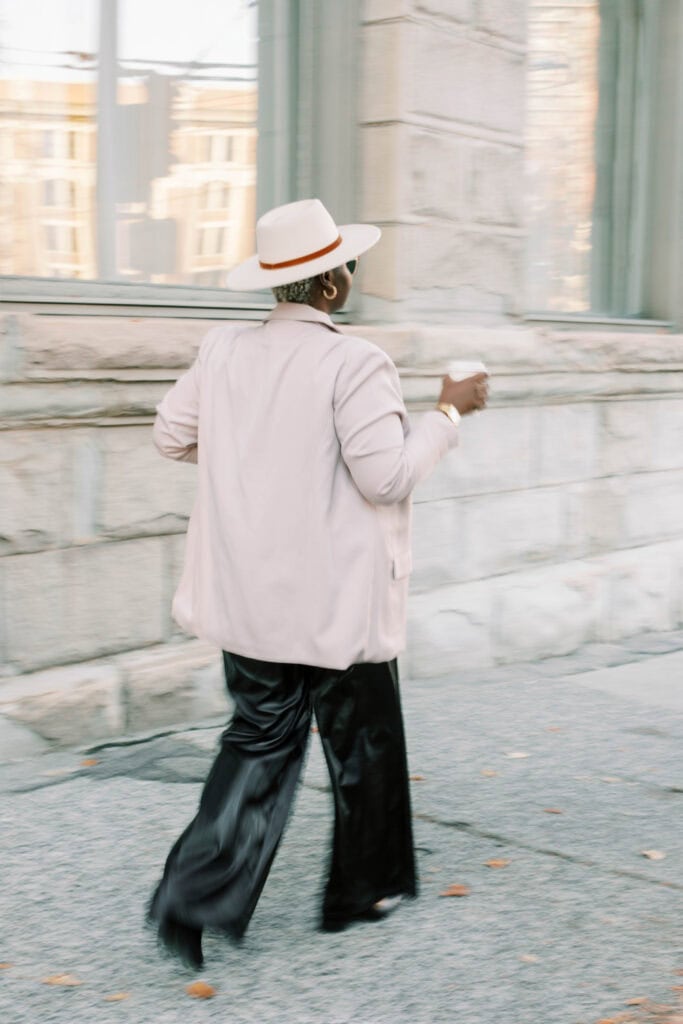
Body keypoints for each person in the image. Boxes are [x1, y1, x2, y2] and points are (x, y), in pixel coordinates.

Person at [147, 198, 488, 968]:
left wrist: (249, 450)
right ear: (331, 285)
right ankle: (362, 892)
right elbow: (386, 475)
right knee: (363, 744)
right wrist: (446, 411)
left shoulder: (224, 352)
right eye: (348, 268)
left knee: (259, 739)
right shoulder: (352, 361)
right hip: (335, 602)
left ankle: (190, 897)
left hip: (247, 599)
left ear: (278, 285)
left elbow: (171, 434)